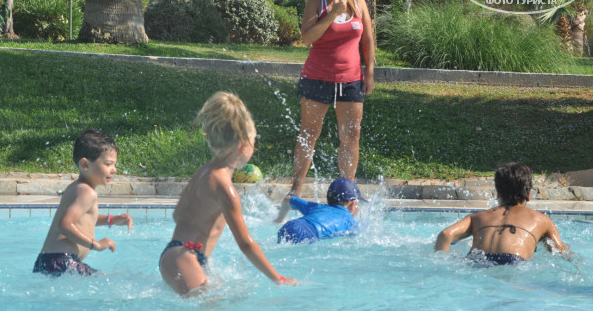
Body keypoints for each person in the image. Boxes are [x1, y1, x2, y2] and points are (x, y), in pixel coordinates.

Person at [159, 92, 297, 296]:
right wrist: (279, 279)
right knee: (212, 308)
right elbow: (246, 244)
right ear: (242, 145)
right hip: (185, 256)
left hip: (180, 254)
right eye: (254, 141)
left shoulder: (204, 172)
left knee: (223, 300)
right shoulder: (225, 188)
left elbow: (177, 215)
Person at [285, 0, 375, 200]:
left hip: (351, 80)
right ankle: (296, 188)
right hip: (317, 78)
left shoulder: (359, 3)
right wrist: (333, 14)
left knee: (351, 136)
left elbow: (368, 40)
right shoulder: (317, 1)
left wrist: (369, 73)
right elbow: (307, 38)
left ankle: (348, 192)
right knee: (309, 134)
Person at [33, 130, 133, 276]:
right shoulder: (87, 192)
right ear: (85, 164)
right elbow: (65, 224)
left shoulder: (76, 187)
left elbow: (83, 220)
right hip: (62, 260)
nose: (114, 170)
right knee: (104, 279)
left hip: (49, 260)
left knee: (101, 277)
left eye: (114, 164)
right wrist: (96, 245)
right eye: (108, 164)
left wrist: (112, 219)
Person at [434, 162, 570, 265]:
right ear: (528, 194)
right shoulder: (542, 220)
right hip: (513, 262)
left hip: (475, 260)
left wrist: (442, 262)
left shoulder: (477, 217)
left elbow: (445, 234)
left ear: (498, 192)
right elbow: (560, 251)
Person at [275, 178, 365, 244]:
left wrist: (280, 218)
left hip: (290, 225)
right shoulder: (350, 222)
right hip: (308, 234)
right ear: (352, 204)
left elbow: (288, 199)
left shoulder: (317, 207)